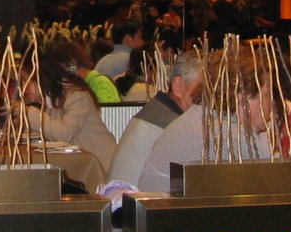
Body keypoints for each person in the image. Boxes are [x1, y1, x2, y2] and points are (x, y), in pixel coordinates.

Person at [138, 47, 274, 193]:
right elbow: (273, 190)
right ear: (243, 99)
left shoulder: (193, 118)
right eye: (267, 94)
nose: (272, 103)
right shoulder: (235, 138)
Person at [15, 44, 117, 175]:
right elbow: (46, 133)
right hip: (80, 167)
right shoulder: (51, 101)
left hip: (102, 169)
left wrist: (28, 113)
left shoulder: (78, 96)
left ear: (41, 78)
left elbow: (64, 134)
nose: (23, 88)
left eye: (25, 80)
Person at [108, 50, 202, 187]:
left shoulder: (156, 111)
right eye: (202, 89)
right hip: (137, 199)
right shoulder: (173, 125)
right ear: (178, 86)